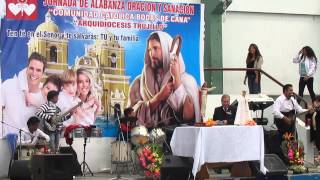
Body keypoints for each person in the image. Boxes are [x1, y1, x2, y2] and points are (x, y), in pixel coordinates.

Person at [128, 31, 200, 129]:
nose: (151, 54)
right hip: (146, 141)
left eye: (155, 48)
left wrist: (177, 78)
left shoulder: (187, 81)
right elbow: (130, 115)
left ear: (166, 49)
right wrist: (158, 98)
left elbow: (189, 118)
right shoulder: (139, 82)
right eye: (149, 50)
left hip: (175, 140)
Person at [1, 52, 46, 136]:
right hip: (8, 144)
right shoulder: (9, 85)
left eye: (38, 70)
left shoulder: (45, 95)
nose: (34, 73)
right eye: (31, 68)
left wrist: (37, 103)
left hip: (31, 146)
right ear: (27, 69)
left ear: (43, 74)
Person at [308, 96, 320, 161]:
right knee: (317, 143)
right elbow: (308, 119)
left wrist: (315, 110)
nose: (315, 103)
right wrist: (309, 113)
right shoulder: (314, 110)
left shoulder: (317, 110)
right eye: (314, 101)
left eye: (317, 102)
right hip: (315, 130)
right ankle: (319, 156)